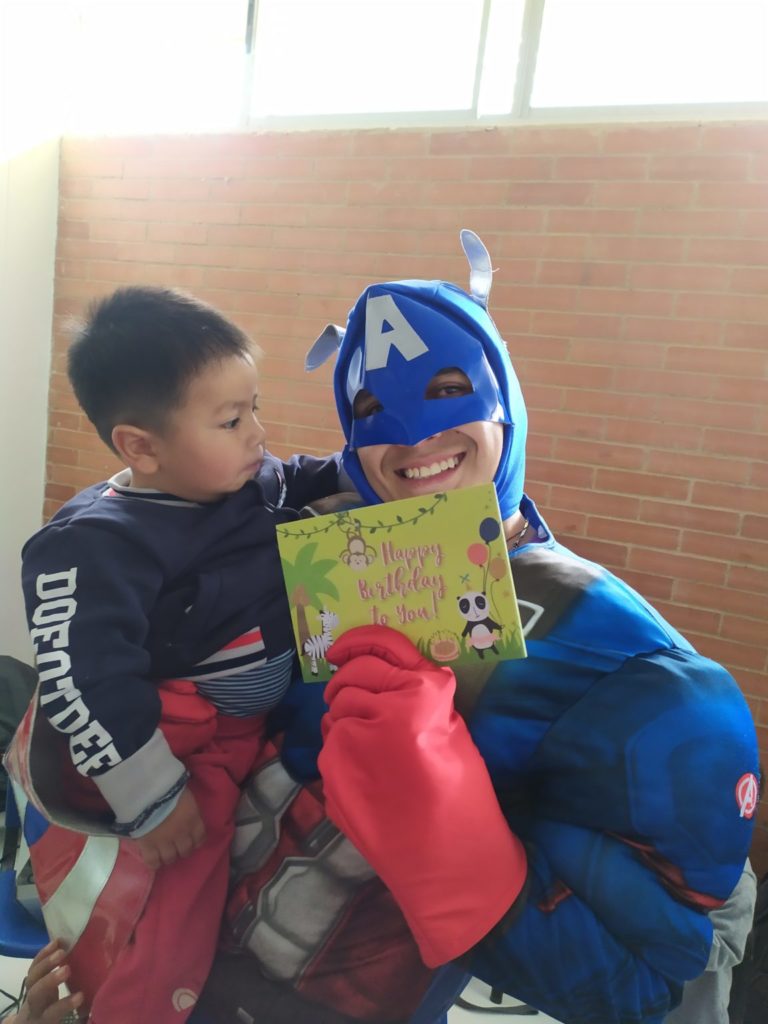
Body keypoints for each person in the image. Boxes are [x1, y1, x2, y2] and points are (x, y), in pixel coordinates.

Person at [6, 236, 760, 1024]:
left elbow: (663, 992)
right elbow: (72, 719)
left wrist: (467, 865)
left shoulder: (628, 669)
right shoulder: (283, 542)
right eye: (372, 409)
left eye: (448, 390)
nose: (411, 434)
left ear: (504, 399)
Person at [11, 287, 341, 1024]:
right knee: (162, 930)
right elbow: (79, 681)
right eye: (231, 419)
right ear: (140, 445)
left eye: (253, 406)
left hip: (255, 736)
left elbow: (312, 477)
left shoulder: (244, 481)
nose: (259, 432)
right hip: (179, 752)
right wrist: (153, 800)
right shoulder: (95, 544)